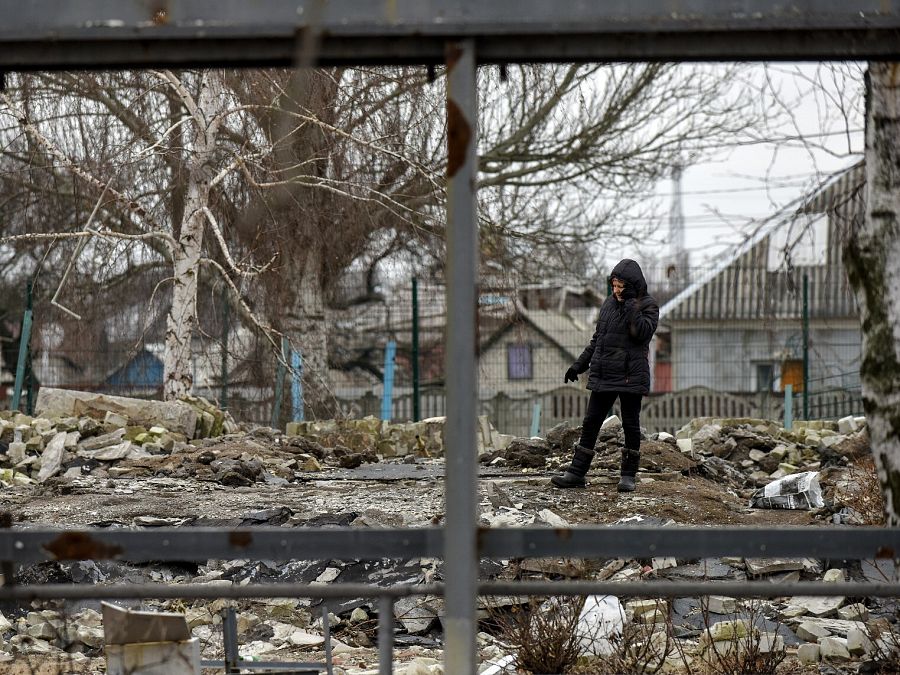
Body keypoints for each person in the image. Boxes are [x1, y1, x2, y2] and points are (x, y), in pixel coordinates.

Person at [551, 259, 659, 491]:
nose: (617, 291)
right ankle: (576, 474)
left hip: (631, 375)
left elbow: (642, 333)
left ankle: (628, 476)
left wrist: (630, 304)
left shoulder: (648, 305)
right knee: (591, 422)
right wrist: (579, 365)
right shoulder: (608, 304)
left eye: (621, 286)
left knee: (631, 425)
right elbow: (597, 340)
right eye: (614, 286)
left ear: (632, 286)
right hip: (605, 373)